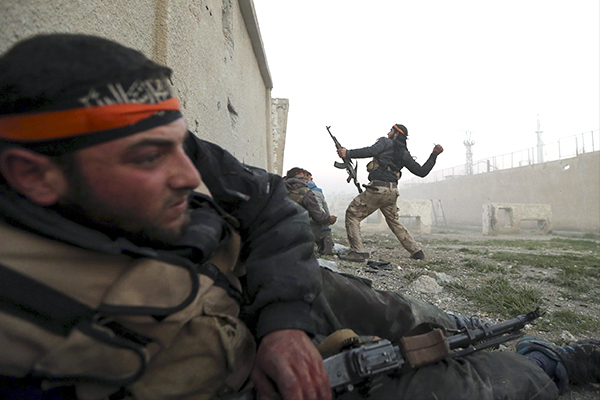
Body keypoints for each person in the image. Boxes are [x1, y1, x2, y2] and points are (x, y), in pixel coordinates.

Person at [1, 34, 598, 400]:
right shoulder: (23, 317)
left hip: (290, 281)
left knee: (388, 272)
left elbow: (273, 203)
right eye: (149, 158)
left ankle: (462, 327)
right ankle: (544, 359)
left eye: (180, 146)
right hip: (248, 368)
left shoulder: (381, 147)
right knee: (480, 383)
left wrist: (285, 319)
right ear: (32, 174)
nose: (188, 173)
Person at [336, 124, 443, 262]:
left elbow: (371, 150)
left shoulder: (385, 142)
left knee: (352, 214)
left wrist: (348, 153)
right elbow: (421, 172)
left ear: (396, 134)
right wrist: (433, 155)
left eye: (391, 130)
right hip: (392, 192)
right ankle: (416, 251)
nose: (388, 133)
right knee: (393, 221)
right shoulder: (404, 152)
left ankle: (357, 252)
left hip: (378, 189)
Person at [284, 167, 337, 254]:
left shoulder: (278, 188)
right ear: (300, 179)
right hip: (296, 231)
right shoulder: (305, 192)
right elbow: (318, 216)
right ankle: (325, 249)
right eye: (304, 178)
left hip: (276, 230)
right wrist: (329, 219)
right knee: (325, 227)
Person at [304, 170, 337, 255]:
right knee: (325, 224)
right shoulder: (315, 191)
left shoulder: (284, 189)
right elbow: (323, 213)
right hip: (308, 228)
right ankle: (327, 248)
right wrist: (329, 219)